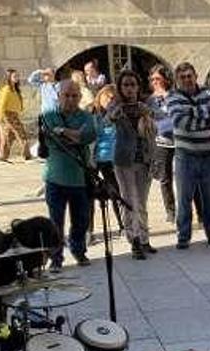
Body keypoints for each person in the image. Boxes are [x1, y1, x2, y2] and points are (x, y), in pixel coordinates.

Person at [40, 80, 97, 272]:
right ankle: (56, 257)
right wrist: (73, 135)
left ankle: (79, 250)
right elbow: (53, 139)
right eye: (67, 95)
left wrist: (62, 131)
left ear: (80, 98)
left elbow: (88, 135)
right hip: (55, 177)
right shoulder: (48, 115)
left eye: (74, 96)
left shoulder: (87, 117)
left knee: (81, 219)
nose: (71, 99)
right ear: (59, 96)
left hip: (79, 178)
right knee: (56, 221)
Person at [166, 62, 210, 249]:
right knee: (184, 199)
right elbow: (179, 121)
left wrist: (191, 112)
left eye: (189, 76)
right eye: (182, 77)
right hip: (186, 156)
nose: (187, 80)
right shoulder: (172, 96)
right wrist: (206, 119)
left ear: (196, 75)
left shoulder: (208, 92)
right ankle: (183, 236)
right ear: (177, 80)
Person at [109, 70, 158, 260]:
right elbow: (106, 120)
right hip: (124, 161)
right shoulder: (116, 106)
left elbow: (159, 116)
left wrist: (147, 113)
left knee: (142, 202)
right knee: (129, 201)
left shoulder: (145, 105)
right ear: (120, 88)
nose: (129, 89)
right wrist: (115, 114)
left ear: (138, 87)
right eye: (126, 85)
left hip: (144, 159)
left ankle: (144, 238)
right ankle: (134, 239)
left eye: (133, 84)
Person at [89, 84, 124, 242]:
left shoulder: (119, 114)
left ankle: (123, 225)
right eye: (107, 97)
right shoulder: (91, 113)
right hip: (94, 159)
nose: (110, 100)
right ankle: (88, 230)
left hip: (112, 158)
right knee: (89, 195)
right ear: (100, 97)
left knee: (116, 192)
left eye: (114, 98)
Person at [147, 65, 179, 223]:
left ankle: (195, 209)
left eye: (157, 78)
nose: (155, 82)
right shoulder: (150, 100)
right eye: (152, 79)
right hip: (161, 143)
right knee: (164, 178)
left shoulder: (175, 96)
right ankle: (171, 210)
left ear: (165, 79)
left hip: (180, 141)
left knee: (185, 177)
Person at [0, 68, 32, 162]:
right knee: (21, 132)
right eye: (14, 76)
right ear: (9, 78)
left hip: (14, 114)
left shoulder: (15, 89)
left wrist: (20, 110)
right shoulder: (6, 89)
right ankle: (27, 154)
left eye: (17, 76)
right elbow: (1, 104)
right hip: (8, 114)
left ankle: (2, 155)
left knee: (9, 135)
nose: (17, 78)